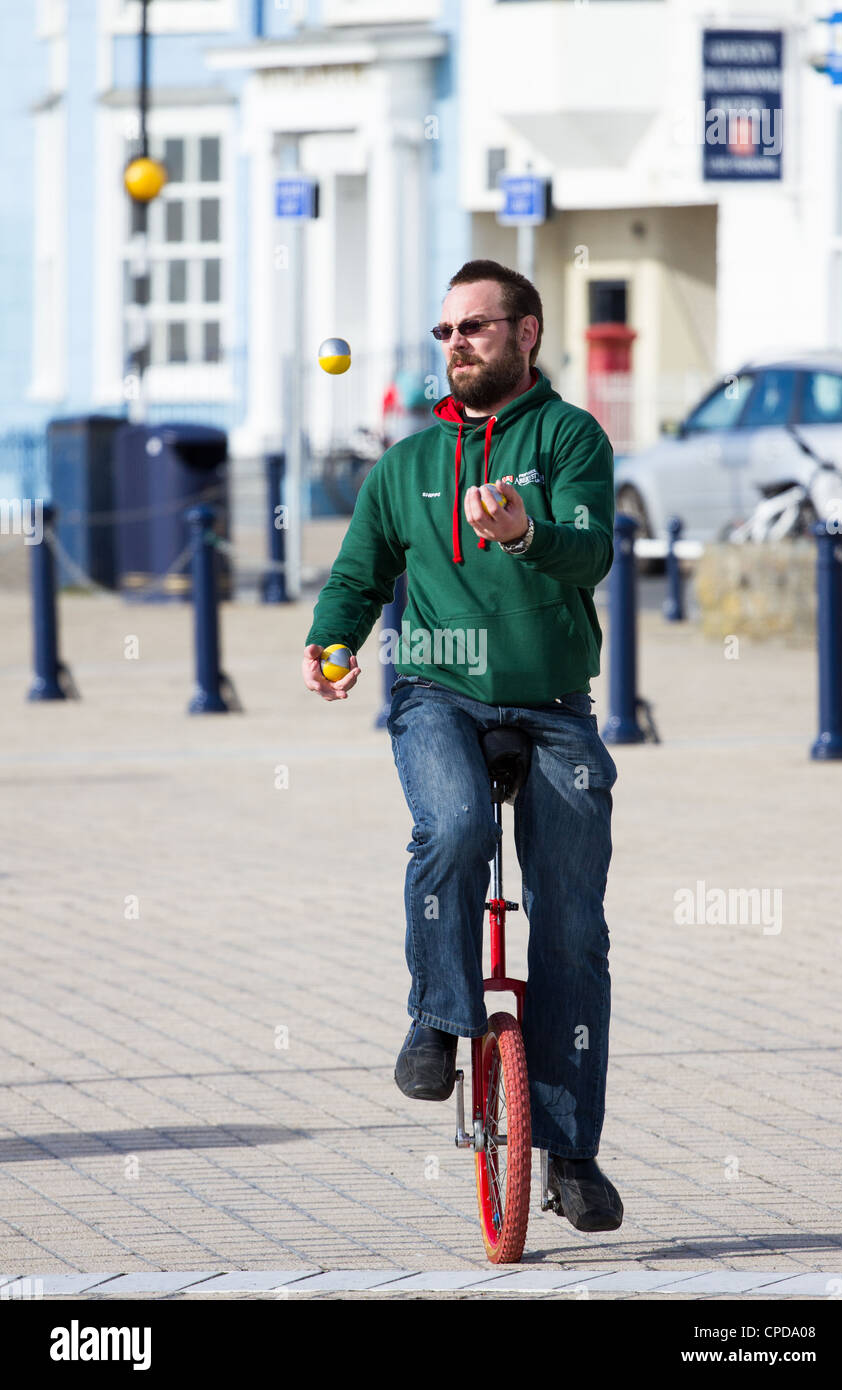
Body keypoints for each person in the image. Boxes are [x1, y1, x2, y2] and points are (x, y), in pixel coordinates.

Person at [302, 259, 622, 1233]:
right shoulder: (404, 466)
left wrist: (527, 531)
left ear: (525, 333)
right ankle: (438, 1017)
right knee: (451, 826)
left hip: (553, 704)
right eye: (445, 333)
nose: (457, 346)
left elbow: (591, 545)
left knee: (571, 924)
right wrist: (328, 643)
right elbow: (358, 574)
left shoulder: (567, 435)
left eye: (475, 328)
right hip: (438, 695)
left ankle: (568, 1151)